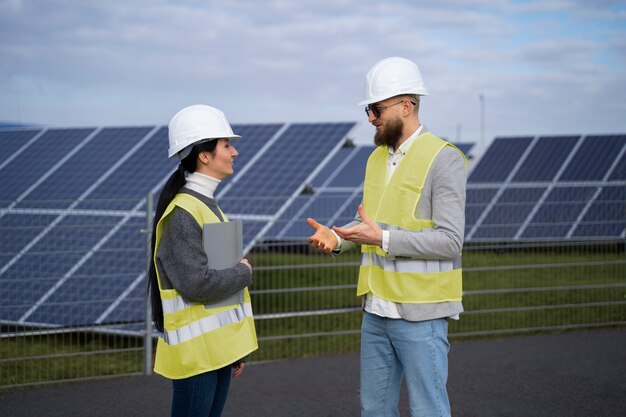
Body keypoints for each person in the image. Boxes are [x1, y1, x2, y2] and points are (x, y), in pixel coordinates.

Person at [307, 57, 466, 417]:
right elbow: (370, 225)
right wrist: (337, 238)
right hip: (375, 311)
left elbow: (450, 241)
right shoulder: (376, 159)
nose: (370, 118)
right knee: (374, 410)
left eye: (376, 109)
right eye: (368, 109)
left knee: (429, 410)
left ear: (406, 106)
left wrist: (384, 240)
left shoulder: (445, 159)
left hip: (421, 316)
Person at [147, 104, 258, 417]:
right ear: (204, 156)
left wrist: (232, 350)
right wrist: (244, 272)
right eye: (226, 145)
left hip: (217, 353)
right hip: (197, 357)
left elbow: (223, 295)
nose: (234, 151)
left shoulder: (209, 207)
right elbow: (198, 283)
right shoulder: (183, 214)